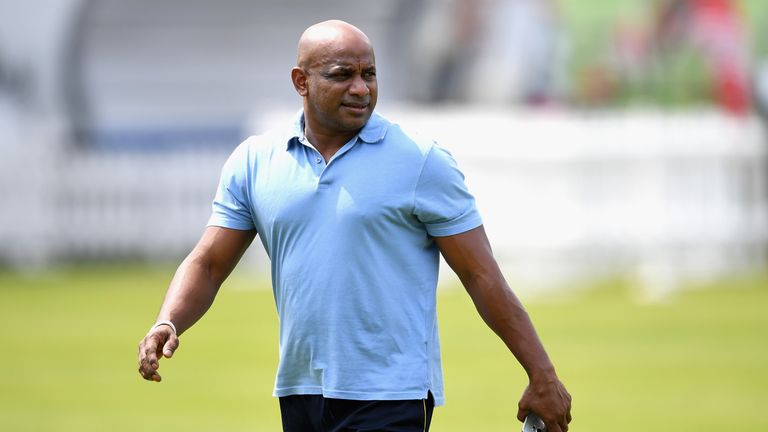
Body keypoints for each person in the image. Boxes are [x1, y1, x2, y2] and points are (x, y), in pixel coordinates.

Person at [137, 20, 572, 432]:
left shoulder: (420, 161)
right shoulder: (255, 161)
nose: (361, 88)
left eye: (370, 74)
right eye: (342, 74)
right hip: (300, 389)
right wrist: (168, 322)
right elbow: (209, 264)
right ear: (300, 82)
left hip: (391, 393)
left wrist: (541, 373)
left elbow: (481, 274)